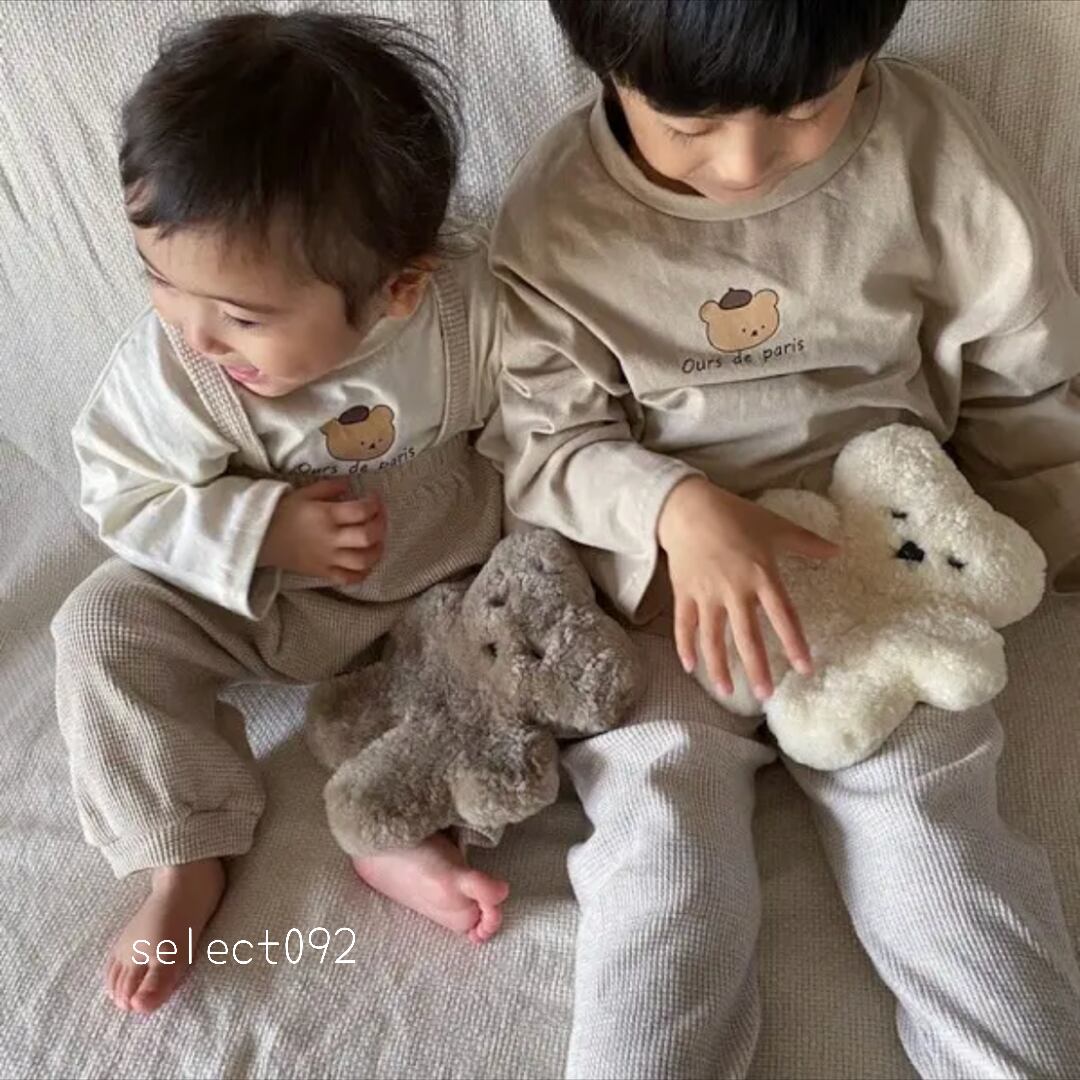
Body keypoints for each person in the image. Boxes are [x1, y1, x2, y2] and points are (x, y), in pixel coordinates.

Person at [490, 0, 1080, 1075]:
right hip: (666, 595)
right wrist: (673, 507)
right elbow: (545, 445)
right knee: (660, 842)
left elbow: (1024, 380)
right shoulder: (556, 217)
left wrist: (1034, 535)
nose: (745, 164)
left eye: (807, 109)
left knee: (934, 838)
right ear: (607, 65)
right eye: (689, 126)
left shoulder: (930, 155)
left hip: (879, 570)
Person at [53, 9, 510, 1017]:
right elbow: (120, 492)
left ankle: (405, 832)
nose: (196, 332)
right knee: (100, 625)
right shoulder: (174, 370)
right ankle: (184, 847)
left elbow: (547, 411)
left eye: (241, 315)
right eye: (160, 280)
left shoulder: (466, 318)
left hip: (438, 585)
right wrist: (259, 528)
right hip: (263, 600)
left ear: (399, 289)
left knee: (523, 647)